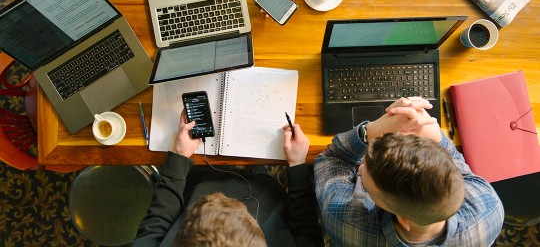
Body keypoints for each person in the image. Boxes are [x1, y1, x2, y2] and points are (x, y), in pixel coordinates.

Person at [314, 97, 504, 246]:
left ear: (403, 219)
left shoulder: (344, 222)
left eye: (366, 183)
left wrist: (370, 131)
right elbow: (455, 161)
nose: (360, 168)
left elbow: (332, 159)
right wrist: (437, 138)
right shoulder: (489, 209)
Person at [131, 109, 324, 246]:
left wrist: (180, 156)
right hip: (266, 191)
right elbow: (307, 231)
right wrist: (297, 165)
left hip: (201, 181)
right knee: (259, 168)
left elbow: (158, 219)